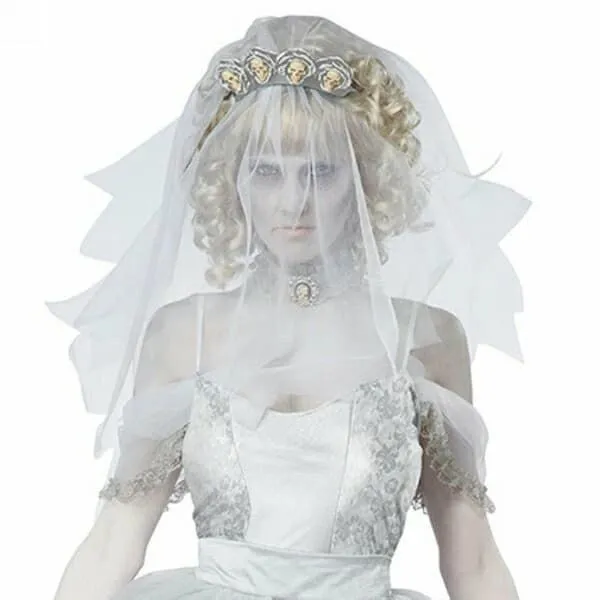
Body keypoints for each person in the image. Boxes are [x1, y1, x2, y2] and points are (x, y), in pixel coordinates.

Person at [48, 15, 530, 600]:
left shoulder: (425, 339)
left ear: (365, 180)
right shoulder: (182, 334)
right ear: (232, 180)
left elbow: (472, 561)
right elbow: (114, 541)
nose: (293, 201)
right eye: (268, 171)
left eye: (320, 171)